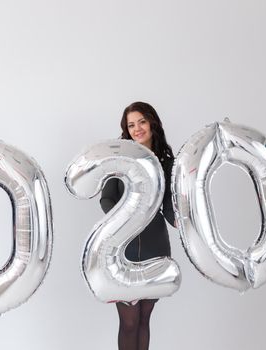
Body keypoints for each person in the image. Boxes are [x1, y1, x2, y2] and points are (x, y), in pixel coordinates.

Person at [100, 101, 176, 350]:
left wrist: (184, 222)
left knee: (144, 319)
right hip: (124, 248)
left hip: (156, 247)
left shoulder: (166, 160)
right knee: (129, 322)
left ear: (152, 122)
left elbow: (168, 206)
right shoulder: (120, 156)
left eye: (141, 122)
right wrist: (124, 222)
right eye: (131, 125)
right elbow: (107, 197)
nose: (137, 129)